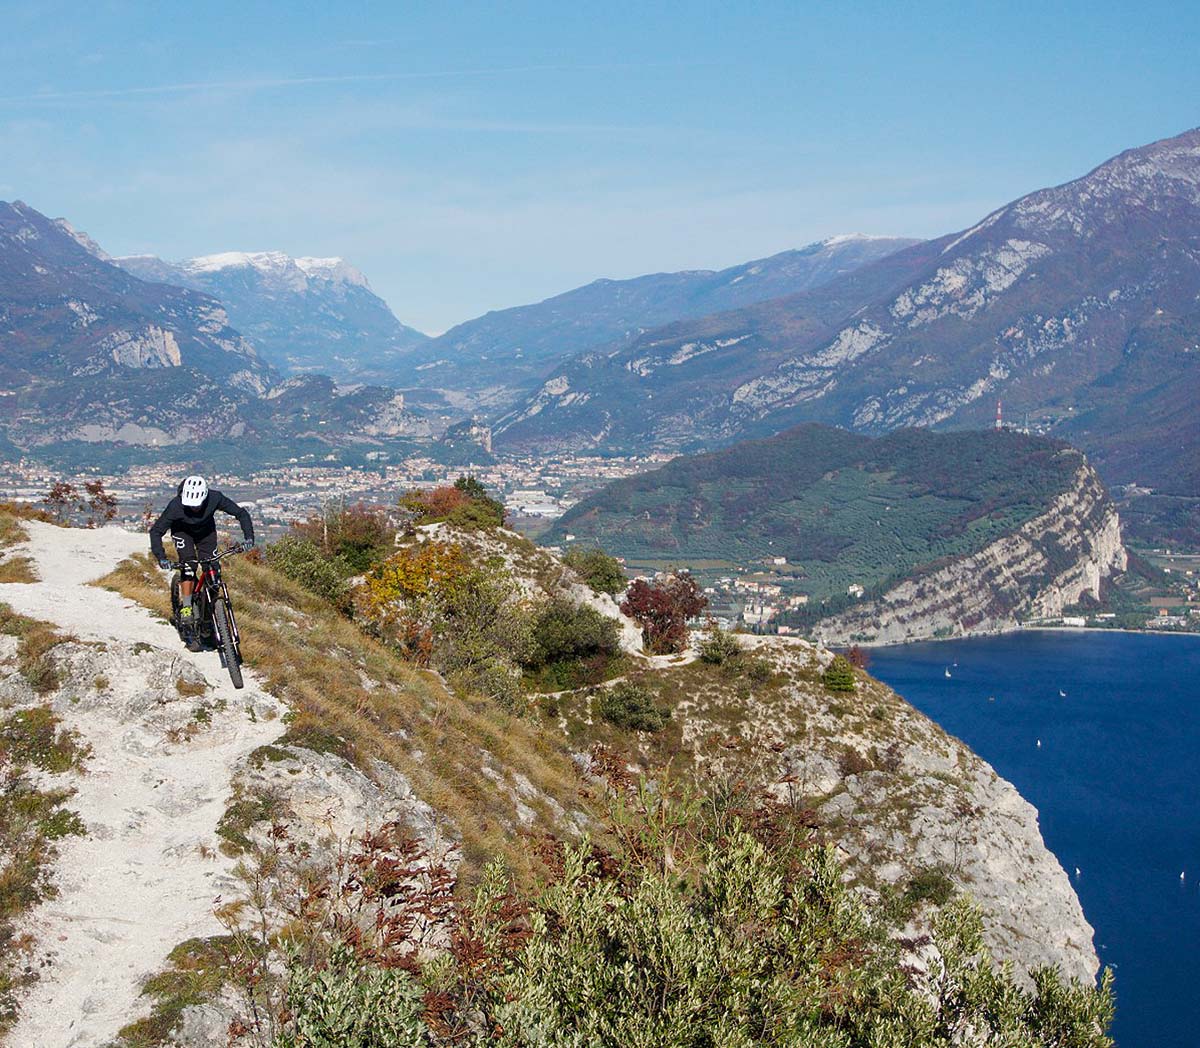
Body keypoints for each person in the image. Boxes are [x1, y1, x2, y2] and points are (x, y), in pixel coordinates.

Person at [149, 475, 254, 651]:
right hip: (183, 533)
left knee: (213, 570)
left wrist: (249, 537)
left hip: (206, 533)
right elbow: (156, 531)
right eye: (191, 505)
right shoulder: (176, 506)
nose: (194, 508)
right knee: (189, 566)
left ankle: (209, 619)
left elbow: (241, 513)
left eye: (197, 504)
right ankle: (187, 607)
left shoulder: (215, 497)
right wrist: (161, 557)